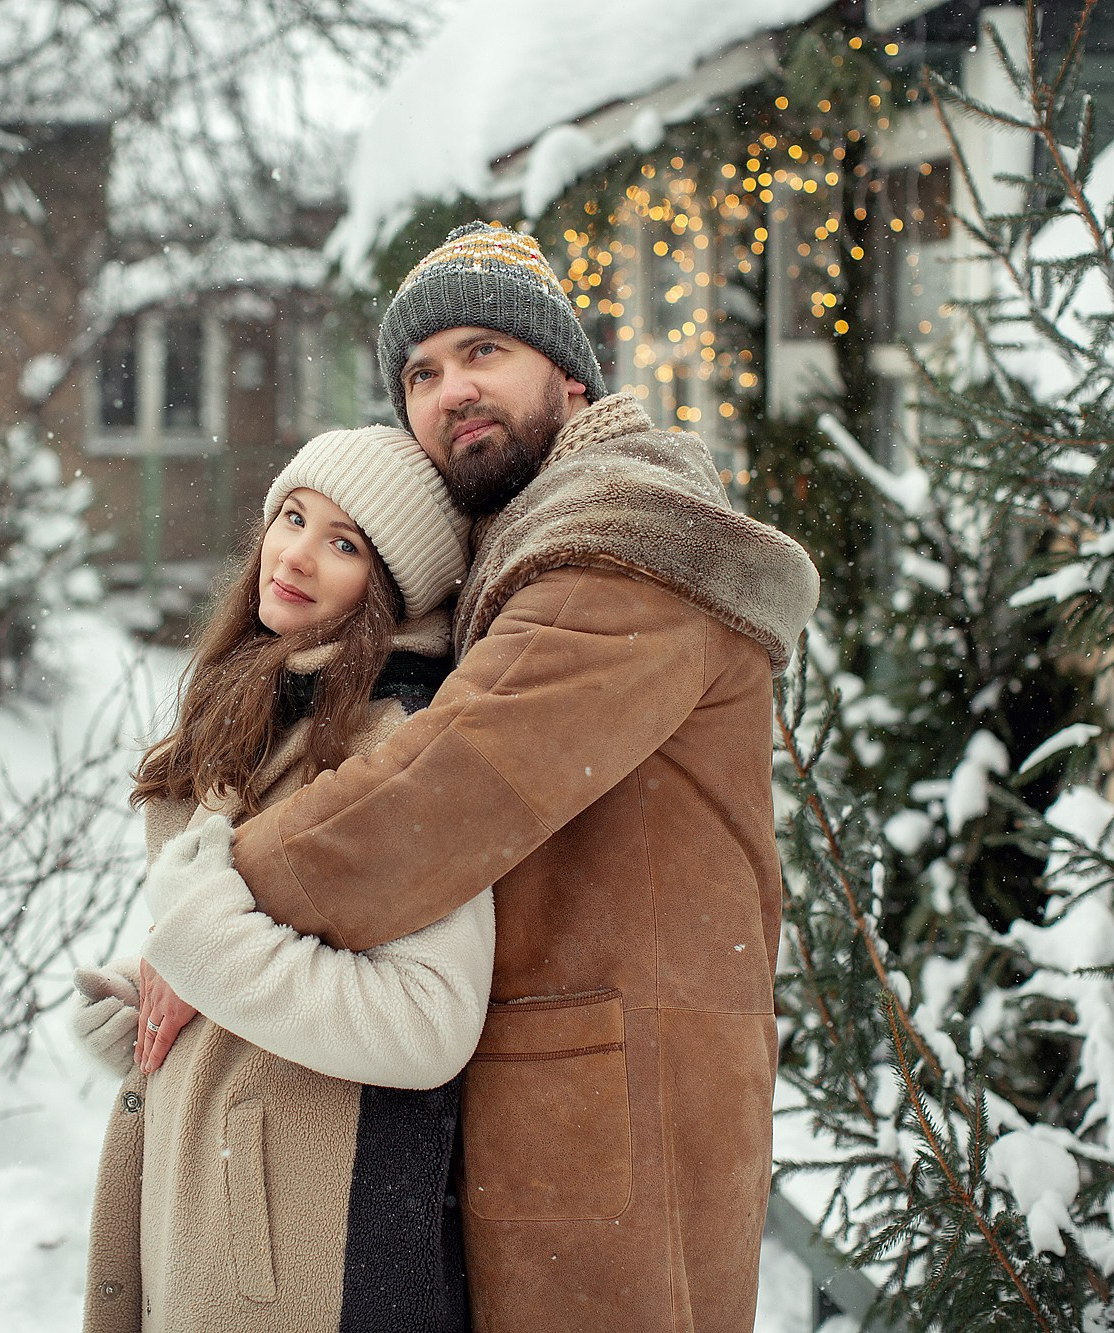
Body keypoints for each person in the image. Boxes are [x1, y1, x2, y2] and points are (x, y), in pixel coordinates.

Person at [141, 221, 823, 1332]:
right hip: (573, 1086)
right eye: (421, 372)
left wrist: (208, 910)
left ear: (566, 371)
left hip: (619, 1101)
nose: (450, 388)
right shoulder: (533, 547)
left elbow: (448, 785)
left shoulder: (625, 550)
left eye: (481, 353)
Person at [70, 425, 492, 1333]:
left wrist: (203, 954)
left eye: (343, 543)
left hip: (318, 1267)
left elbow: (427, 1024)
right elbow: (256, 943)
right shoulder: (260, 697)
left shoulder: (400, 743)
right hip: (219, 1227)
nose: (295, 553)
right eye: (292, 517)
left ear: (392, 587)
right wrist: (156, 1008)